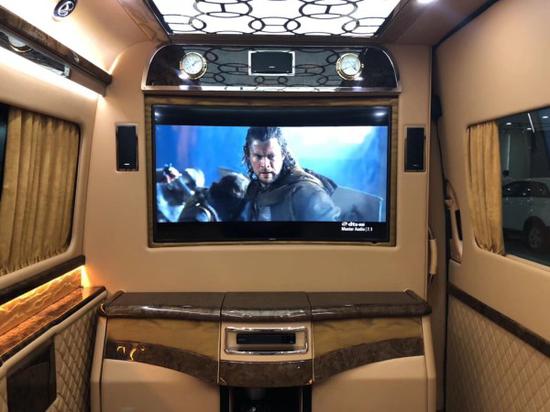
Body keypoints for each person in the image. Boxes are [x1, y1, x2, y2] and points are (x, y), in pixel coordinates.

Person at [240, 127, 340, 221]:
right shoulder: (253, 189)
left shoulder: (306, 193)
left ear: (283, 154)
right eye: (258, 157)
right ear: (248, 156)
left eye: (271, 156)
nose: (265, 164)